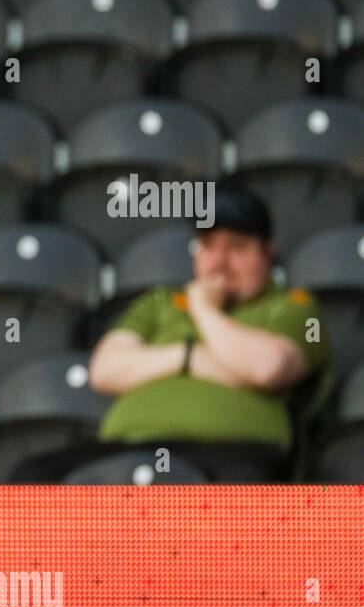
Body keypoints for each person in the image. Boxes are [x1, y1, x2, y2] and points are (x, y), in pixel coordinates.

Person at [24, 185, 330, 482]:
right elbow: (105, 370)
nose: (220, 261)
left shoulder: (294, 306)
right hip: (127, 449)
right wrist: (191, 357)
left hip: (232, 452)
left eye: (237, 246)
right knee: (32, 475)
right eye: (209, 245)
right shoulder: (161, 302)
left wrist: (204, 309)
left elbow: (268, 367)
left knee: (243, 488)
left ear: (267, 253)